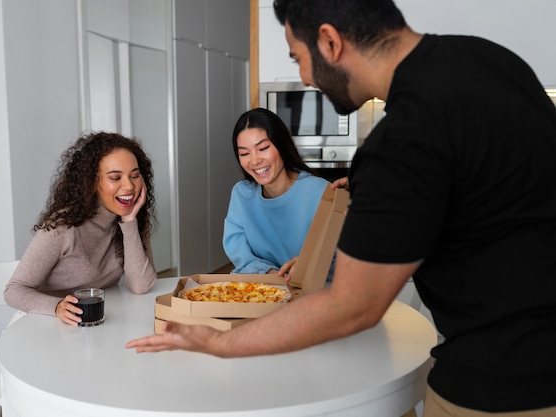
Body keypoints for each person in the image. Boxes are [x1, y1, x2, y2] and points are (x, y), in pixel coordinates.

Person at [126, 1, 556, 415]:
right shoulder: (485, 57)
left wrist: (219, 343)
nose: (306, 77)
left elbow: (353, 306)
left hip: (505, 384)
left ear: (330, 42)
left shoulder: (402, 141)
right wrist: (384, 188)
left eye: (298, 58)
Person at [5, 132, 158, 326]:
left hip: (92, 322)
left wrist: (129, 222)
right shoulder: (63, 227)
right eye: (115, 177)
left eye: (135, 176)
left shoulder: (134, 221)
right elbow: (13, 290)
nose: (129, 186)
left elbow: (140, 285)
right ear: (92, 182)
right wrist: (57, 306)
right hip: (43, 321)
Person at [223, 108, 330, 280]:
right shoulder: (241, 195)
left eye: (263, 148)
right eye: (244, 153)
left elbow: (345, 255)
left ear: (281, 145)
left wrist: (310, 264)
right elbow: (241, 255)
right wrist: (271, 275)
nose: (255, 160)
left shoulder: (321, 192)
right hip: (265, 290)